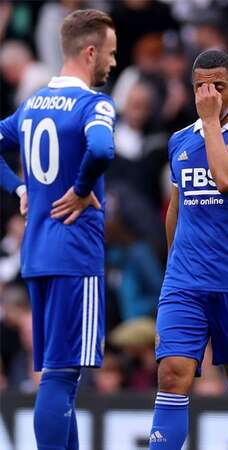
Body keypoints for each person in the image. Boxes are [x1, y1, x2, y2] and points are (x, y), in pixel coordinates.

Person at [0, 9, 117, 449]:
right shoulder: (94, 104)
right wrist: (84, 187)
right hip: (75, 253)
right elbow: (103, 148)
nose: (113, 62)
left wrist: (19, 190)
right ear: (90, 52)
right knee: (64, 376)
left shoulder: (32, 104)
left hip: (37, 254)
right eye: (109, 53)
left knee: (56, 371)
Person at [147, 49, 228, 450]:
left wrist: (208, 121)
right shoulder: (180, 141)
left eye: (218, 86)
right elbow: (177, 207)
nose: (210, 95)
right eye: (201, 87)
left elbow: (227, 178)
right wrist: (173, 270)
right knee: (172, 373)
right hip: (185, 282)